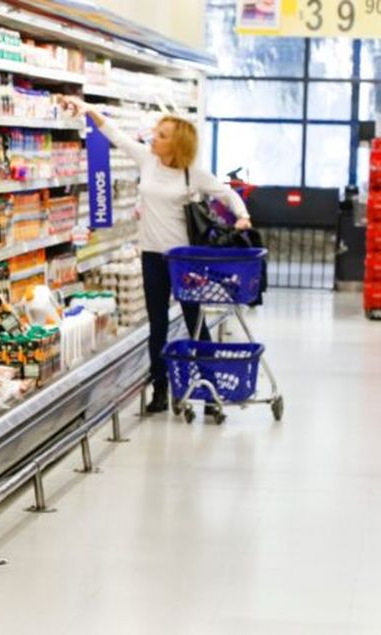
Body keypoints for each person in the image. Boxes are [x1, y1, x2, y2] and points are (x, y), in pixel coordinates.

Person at [62, 97, 251, 414]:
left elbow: (227, 193)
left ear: (176, 144)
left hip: (185, 260)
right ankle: (161, 390)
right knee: (158, 326)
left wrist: (242, 215)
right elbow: (116, 136)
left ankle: (209, 390)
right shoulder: (147, 160)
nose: (154, 138)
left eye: (162, 135)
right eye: (156, 133)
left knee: (195, 322)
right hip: (152, 257)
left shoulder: (193, 174)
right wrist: (89, 110)